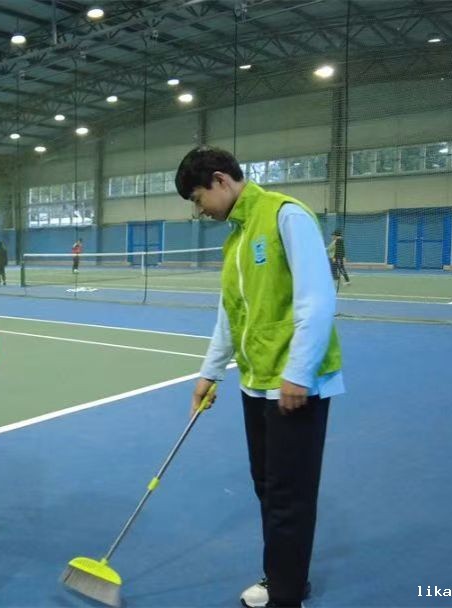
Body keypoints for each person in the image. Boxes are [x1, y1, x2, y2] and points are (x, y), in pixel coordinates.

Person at [175, 147, 344, 608]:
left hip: (294, 385)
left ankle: (285, 595)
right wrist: (210, 373)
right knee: (268, 487)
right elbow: (229, 314)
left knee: (289, 494)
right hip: (256, 382)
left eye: (198, 198)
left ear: (220, 180)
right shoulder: (236, 238)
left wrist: (299, 373)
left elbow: (317, 299)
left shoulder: (286, 215)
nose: (199, 210)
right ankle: (284, 577)